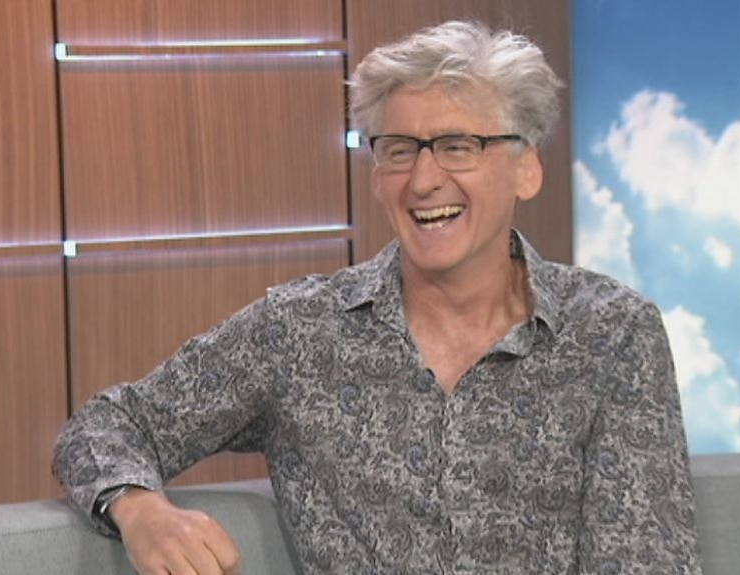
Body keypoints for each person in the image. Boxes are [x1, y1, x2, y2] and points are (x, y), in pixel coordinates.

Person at [53, 20, 703, 575]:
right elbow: (108, 424)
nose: (423, 178)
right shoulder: (300, 331)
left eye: (457, 145)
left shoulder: (614, 331)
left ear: (525, 168)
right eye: (398, 150)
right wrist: (140, 509)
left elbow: (645, 558)